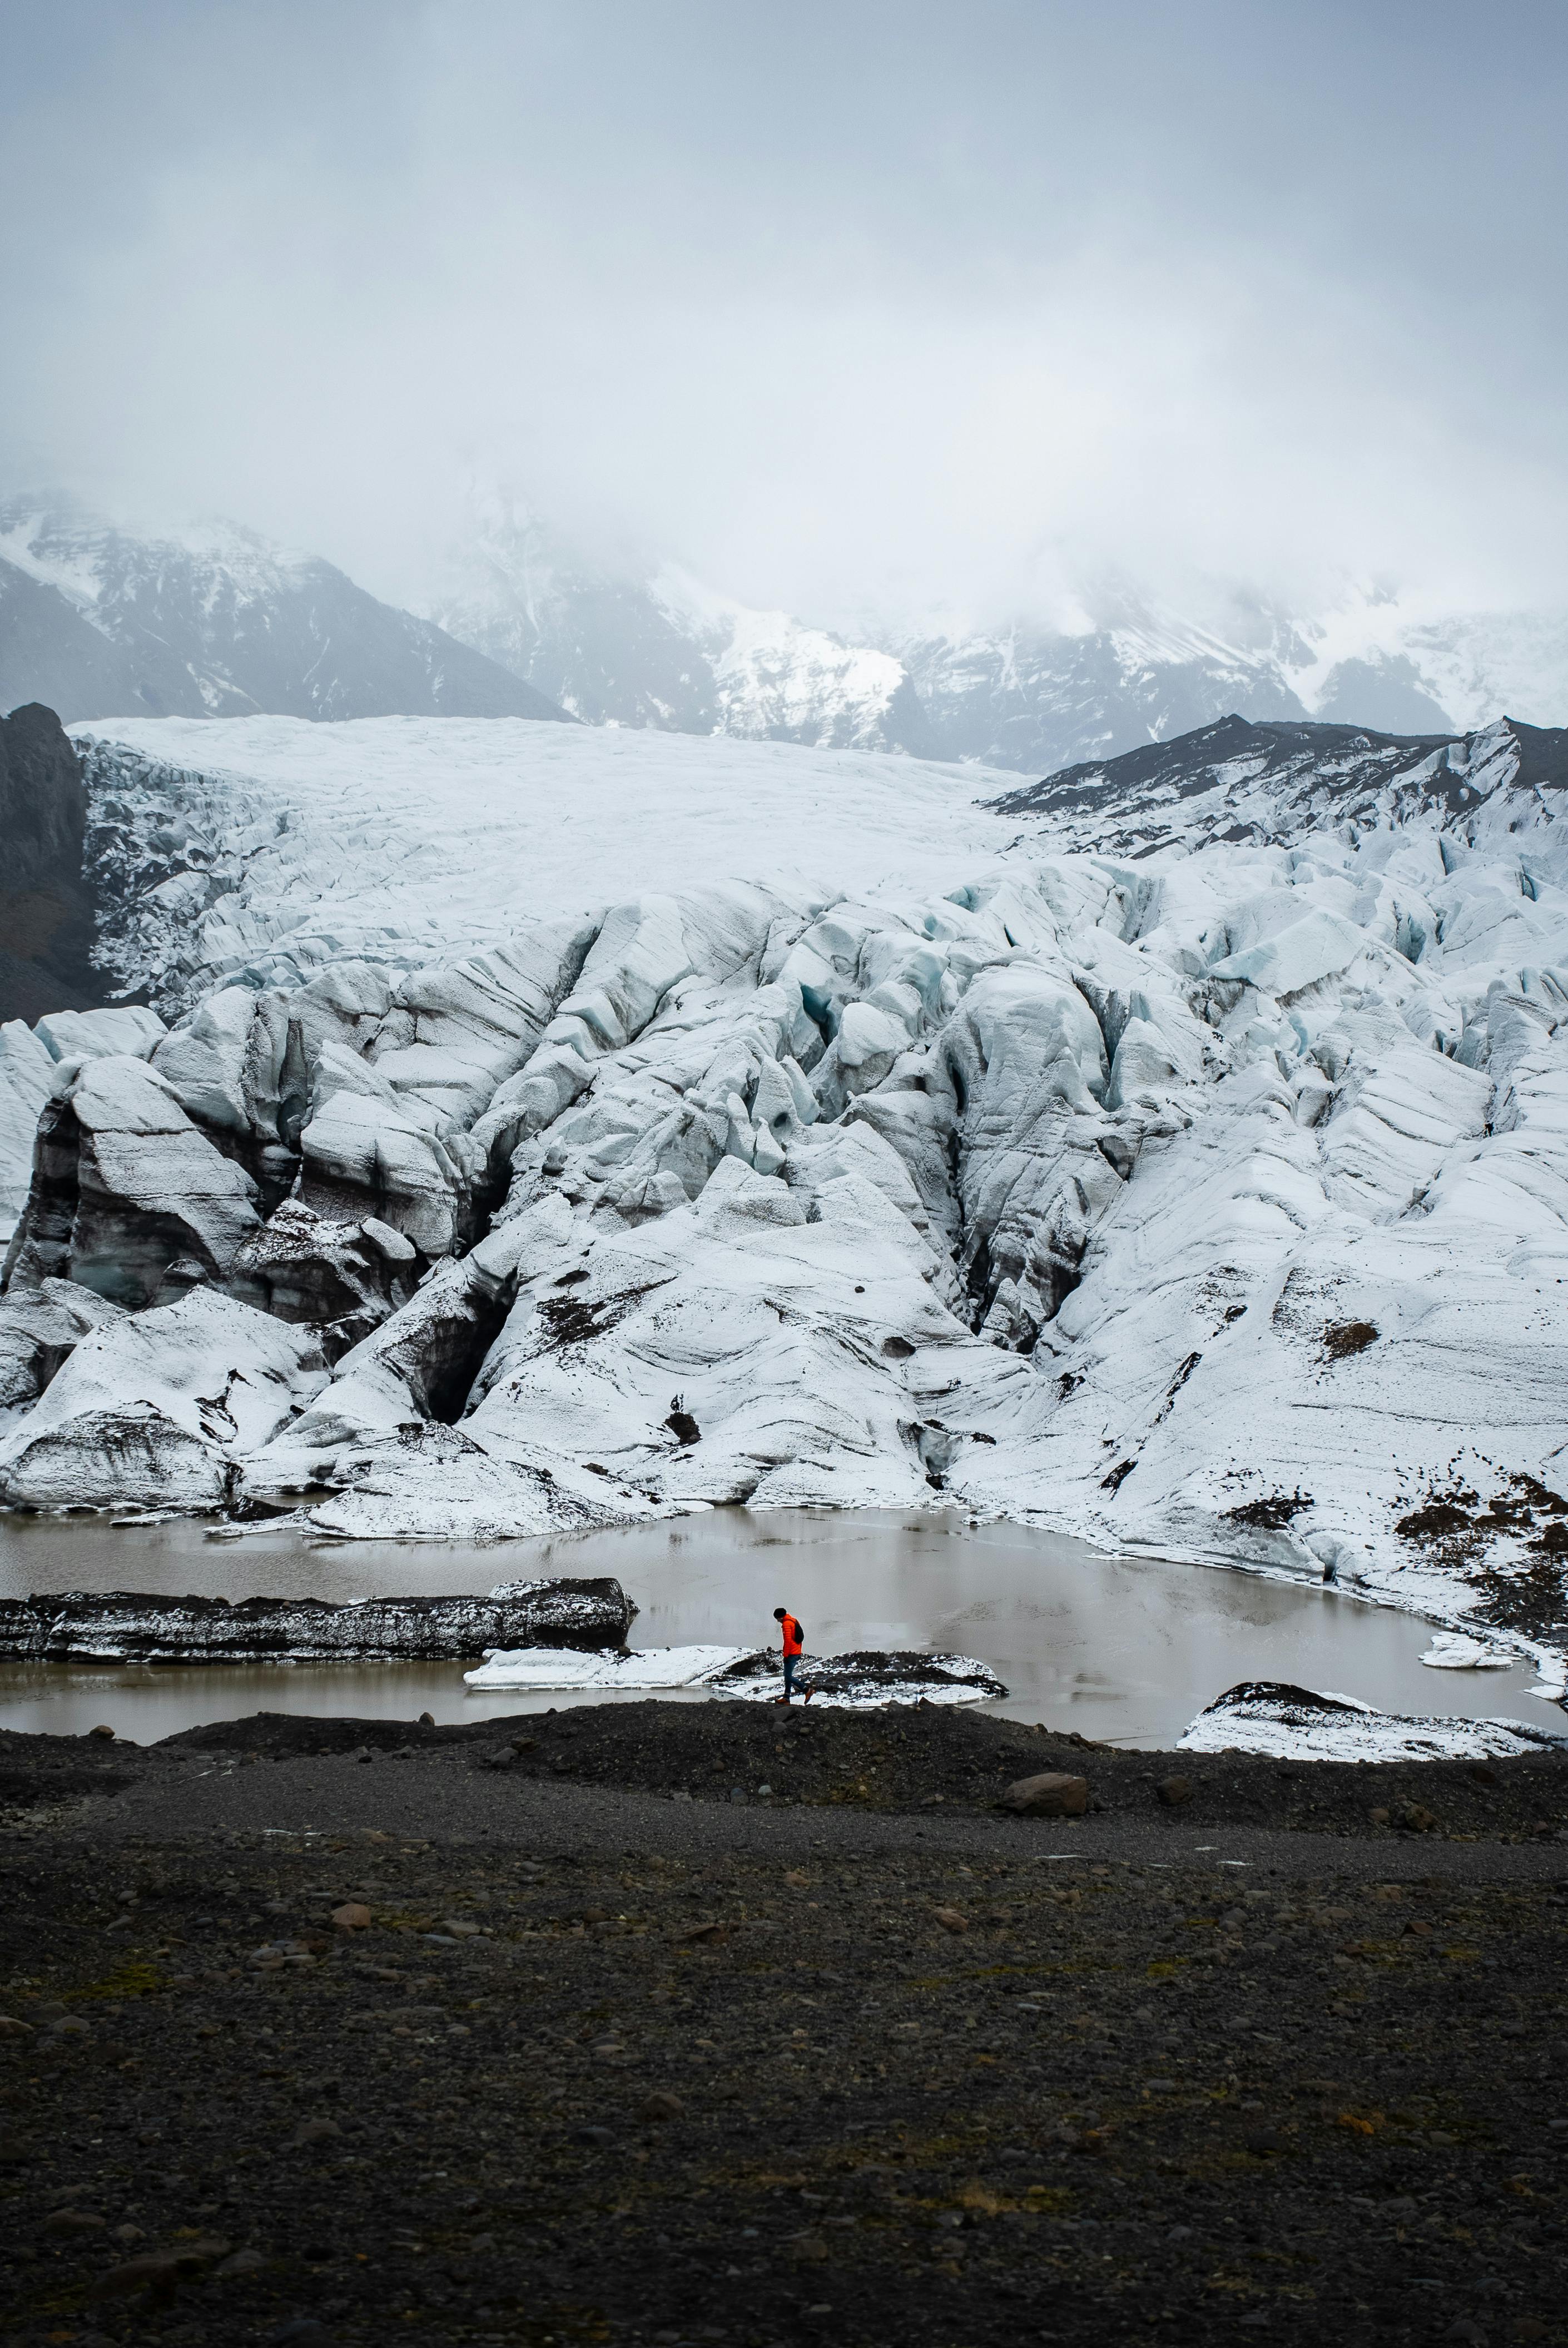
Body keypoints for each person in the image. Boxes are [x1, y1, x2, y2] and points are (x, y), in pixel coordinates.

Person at [772, 1606, 813, 1704]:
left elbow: (788, 1642)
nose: (778, 1621)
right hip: (796, 1651)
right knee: (788, 1676)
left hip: (791, 1653)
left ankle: (806, 1690)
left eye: (778, 1619)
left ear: (780, 1617)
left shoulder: (787, 1624)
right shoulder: (794, 1621)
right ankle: (786, 1698)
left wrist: (786, 1655)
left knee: (788, 1676)